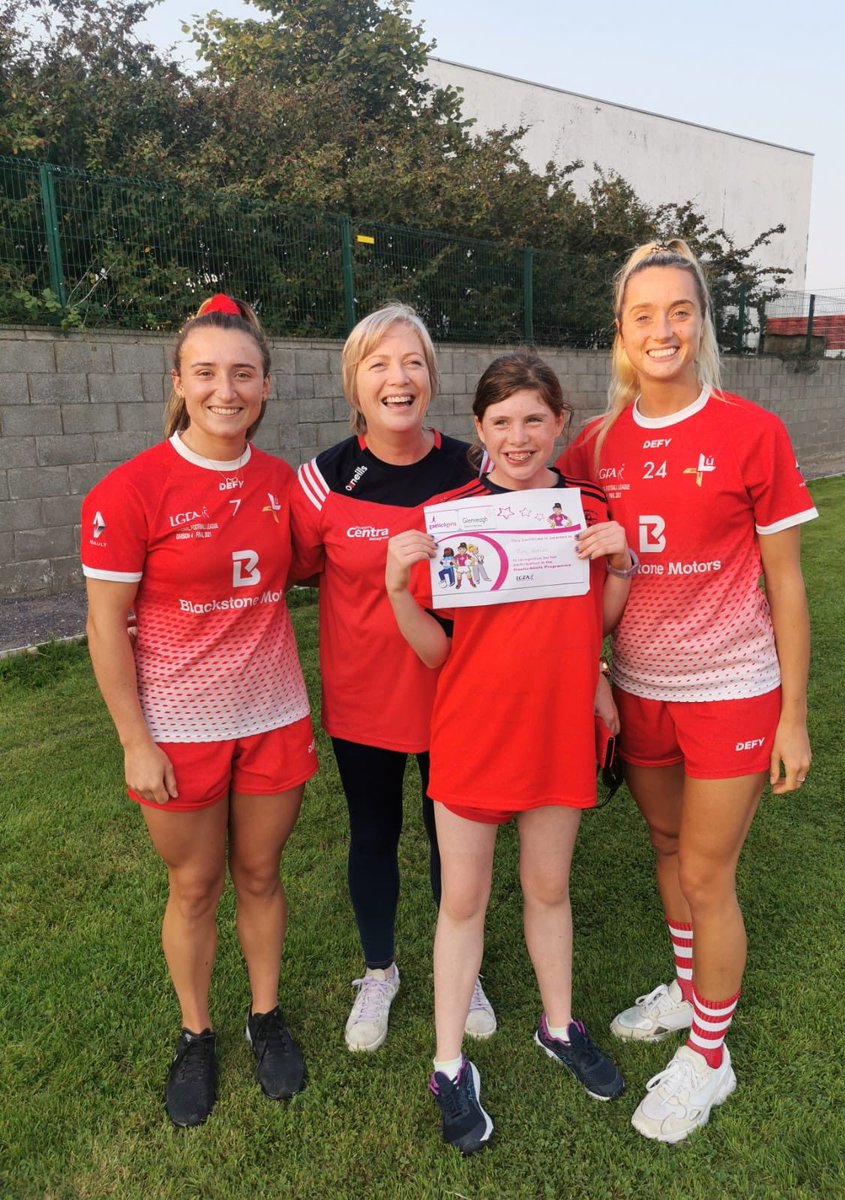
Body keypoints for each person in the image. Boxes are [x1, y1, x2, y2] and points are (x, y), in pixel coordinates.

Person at [558, 239, 817, 1143]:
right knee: (667, 847)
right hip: (639, 689)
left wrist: (794, 713)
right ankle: (687, 986)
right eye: (644, 315)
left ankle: (711, 1055)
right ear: (622, 334)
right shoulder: (595, 443)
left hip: (734, 689)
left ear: (700, 323)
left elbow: (785, 581)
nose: (662, 329)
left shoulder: (751, 430)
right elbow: (580, 570)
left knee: (709, 872)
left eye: (680, 311)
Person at [385, 352, 636, 1155]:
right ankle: (448, 1064)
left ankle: (558, 1026)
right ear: (479, 430)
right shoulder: (451, 514)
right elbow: (432, 653)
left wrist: (622, 559)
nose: (519, 437)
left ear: (562, 422)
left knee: (549, 887)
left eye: (535, 419)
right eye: (502, 422)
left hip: (558, 731)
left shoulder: (587, 506)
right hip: (473, 734)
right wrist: (395, 587)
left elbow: (594, 621)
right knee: (462, 900)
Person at [81, 295, 316, 1127]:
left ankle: (264, 1017)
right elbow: (105, 627)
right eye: (208, 373)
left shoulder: (286, 483)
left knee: (259, 874)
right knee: (196, 884)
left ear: (266, 385)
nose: (227, 389)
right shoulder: (130, 490)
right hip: (178, 729)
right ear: (178, 381)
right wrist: (133, 740)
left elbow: (339, 560)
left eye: (243, 374)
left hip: (274, 714)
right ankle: (195, 1033)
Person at [293, 304, 496, 1052]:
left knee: (456, 842)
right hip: (366, 703)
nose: (397, 378)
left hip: (460, 698)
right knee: (374, 834)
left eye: (411, 362)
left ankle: (462, 963)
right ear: (354, 383)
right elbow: (282, 571)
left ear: (431, 376)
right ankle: (379, 971)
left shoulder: (475, 470)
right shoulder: (321, 481)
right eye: (378, 364)